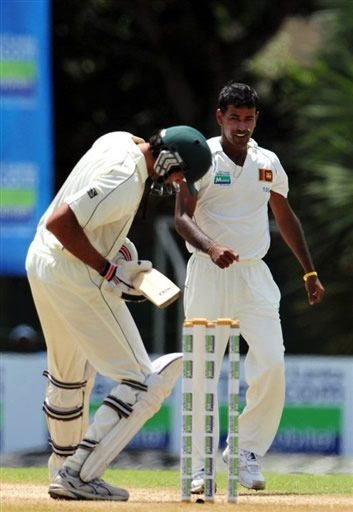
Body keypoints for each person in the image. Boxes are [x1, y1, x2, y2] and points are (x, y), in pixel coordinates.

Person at [25, 125, 212, 501]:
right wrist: (108, 270)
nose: (178, 183)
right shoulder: (127, 178)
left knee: (69, 378)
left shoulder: (118, 140)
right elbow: (63, 222)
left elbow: (85, 215)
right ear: (170, 159)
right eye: (180, 174)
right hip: (72, 273)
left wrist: (119, 252)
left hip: (42, 263)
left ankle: (62, 469)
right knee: (142, 382)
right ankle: (78, 475)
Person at [175, 82, 325, 494]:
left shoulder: (268, 162)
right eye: (234, 118)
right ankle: (200, 465)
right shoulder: (199, 156)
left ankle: (244, 449)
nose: (241, 126)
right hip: (209, 270)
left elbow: (285, 215)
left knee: (272, 362)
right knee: (205, 370)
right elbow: (182, 218)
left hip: (255, 274)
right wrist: (210, 245)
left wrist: (309, 272)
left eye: (249, 118)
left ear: (256, 119)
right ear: (220, 117)